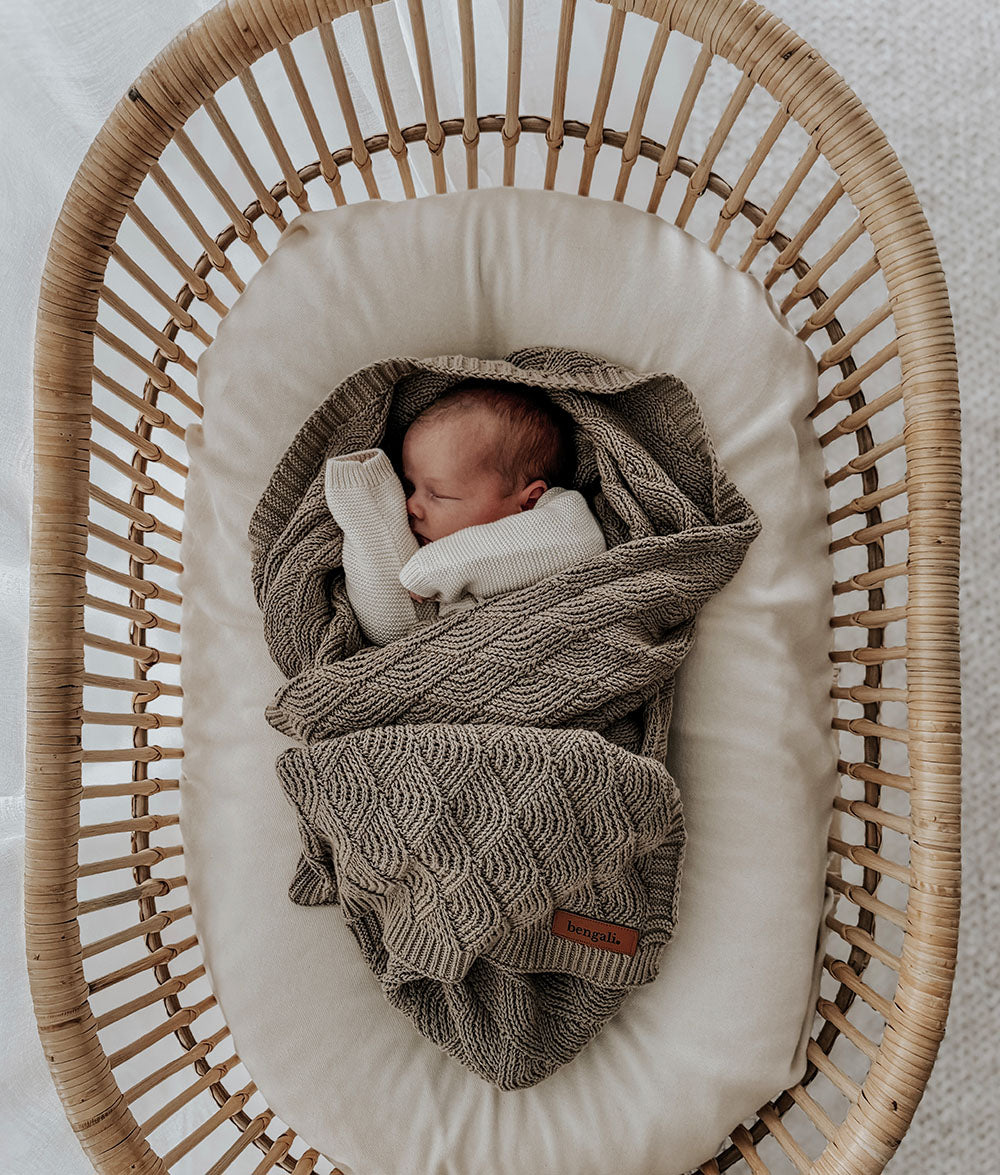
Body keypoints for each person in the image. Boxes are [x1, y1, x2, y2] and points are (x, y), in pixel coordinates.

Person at [324, 378, 608, 647]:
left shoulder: (562, 519)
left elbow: (582, 542)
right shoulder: (433, 574)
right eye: (410, 487)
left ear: (529, 501)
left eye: (439, 494)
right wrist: (367, 508)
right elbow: (392, 633)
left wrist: (439, 565)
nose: (410, 505)